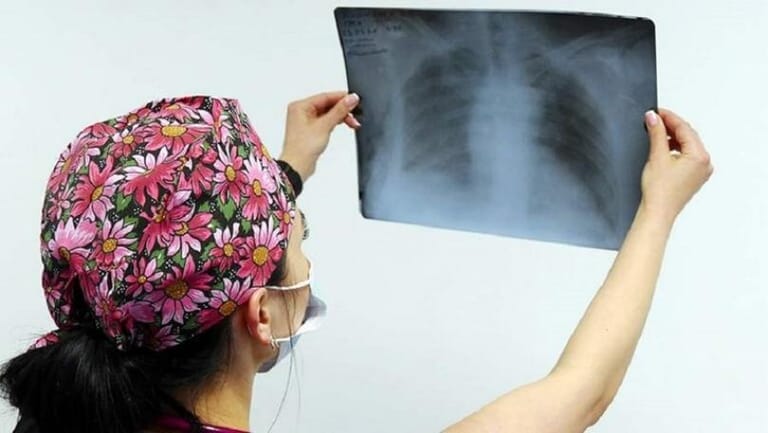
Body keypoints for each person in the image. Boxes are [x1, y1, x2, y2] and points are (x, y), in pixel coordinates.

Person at [0, 91, 713, 433]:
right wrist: (656, 210)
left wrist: (283, 171)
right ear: (260, 315)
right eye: (301, 238)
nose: (306, 253)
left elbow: (175, 239)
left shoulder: (52, 417)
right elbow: (581, 391)